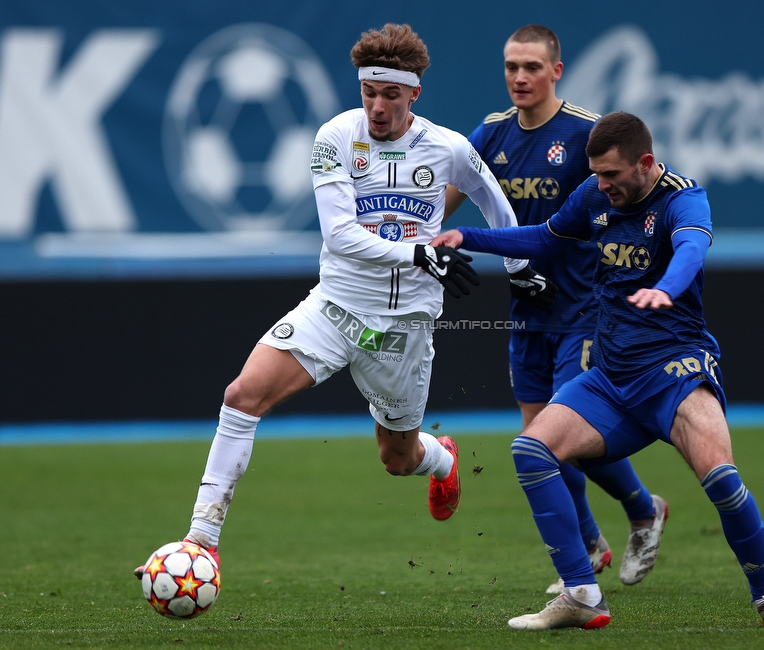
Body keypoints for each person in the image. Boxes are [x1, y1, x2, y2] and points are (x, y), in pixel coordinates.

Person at [134, 23, 544, 579]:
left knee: (397, 459)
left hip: (402, 327)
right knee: (241, 395)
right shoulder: (335, 137)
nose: (377, 106)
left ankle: (441, 458)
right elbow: (339, 236)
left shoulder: (449, 148)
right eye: (369, 92)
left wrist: (522, 271)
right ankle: (202, 539)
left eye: (391, 95)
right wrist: (421, 253)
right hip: (334, 307)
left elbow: (497, 207)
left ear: (414, 94)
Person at [431, 112, 764, 631]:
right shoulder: (593, 195)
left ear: (646, 163)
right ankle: (581, 594)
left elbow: (692, 249)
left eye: (611, 175)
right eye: (596, 173)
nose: (600, 184)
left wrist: (668, 288)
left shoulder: (683, 197)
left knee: (722, 481)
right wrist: (467, 237)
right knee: (531, 449)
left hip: (674, 372)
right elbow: (544, 238)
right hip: (611, 377)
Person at [444, 25, 667, 594]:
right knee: (537, 440)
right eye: (511, 66)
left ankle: (642, 509)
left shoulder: (586, 133)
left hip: (584, 309)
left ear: (556, 71)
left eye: (532, 67)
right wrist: (416, 236)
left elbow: (640, 198)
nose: (520, 77)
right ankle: (590, 543)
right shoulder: (491, 136)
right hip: (527, 310)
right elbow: (442, 196)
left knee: (567, 433)